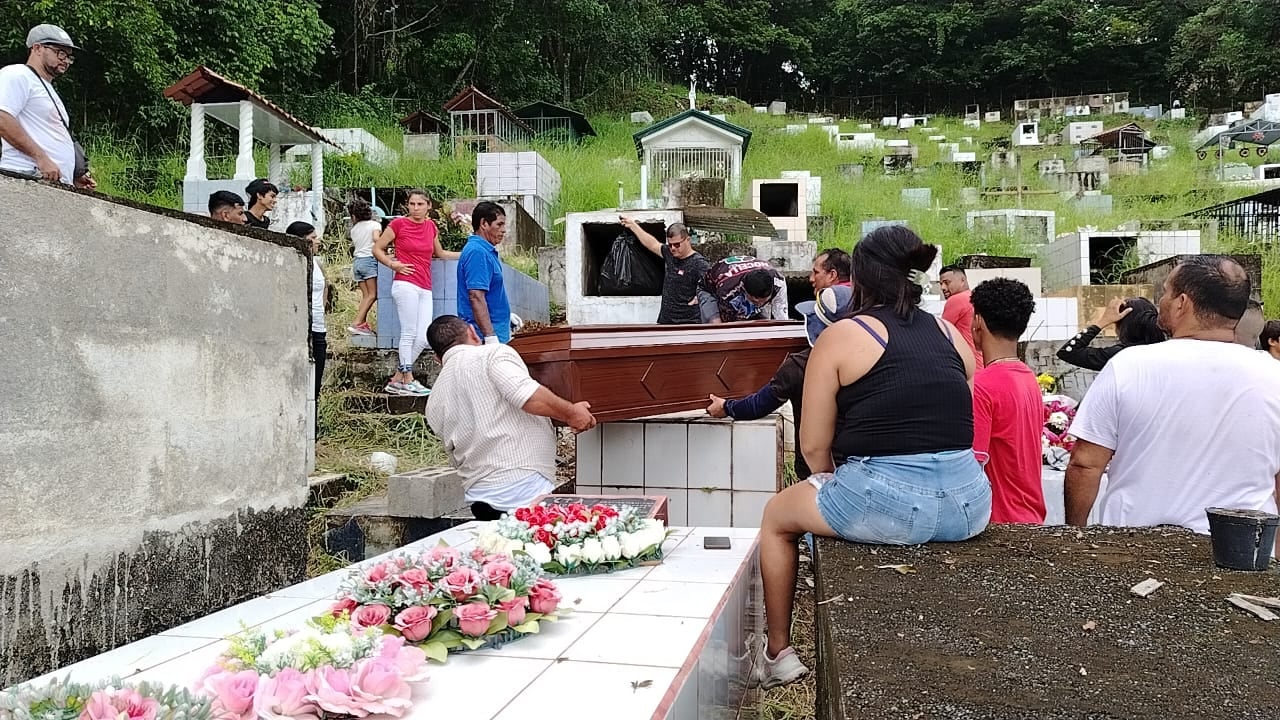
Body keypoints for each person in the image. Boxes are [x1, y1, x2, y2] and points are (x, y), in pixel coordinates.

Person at [754, 226, 988, 689]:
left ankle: (778, 652)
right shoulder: (950, 334)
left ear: (857, 280)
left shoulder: (843, 335)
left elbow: (815, 449)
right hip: (970, 502)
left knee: (777, 516)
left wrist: (840, 489)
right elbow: (957, 418)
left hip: (889, 498)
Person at [1065, 256, 1280, 552]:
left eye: (1165, 292)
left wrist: (1075, 536)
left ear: (1181, 303)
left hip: (1133, 547)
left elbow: (1085, 464)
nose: (1161, 301)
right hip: (1241, 550)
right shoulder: (1274, 374)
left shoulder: (1128, 366)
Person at [425, 315, 597, 519]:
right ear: (472, 332)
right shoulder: (491, 354)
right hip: (521, 488)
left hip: (479, 497)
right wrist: (571, 413)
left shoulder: (433, 398)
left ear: (437, 359)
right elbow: (526, 395)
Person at [707, 284, 855, 481]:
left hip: (817, 474)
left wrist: (726, 407)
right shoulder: (874, 359)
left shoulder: (799, 366)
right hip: (865, 469)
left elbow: (758, 405)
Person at [969, 278, 1046, 524]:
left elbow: (973, 465)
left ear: (977, 322)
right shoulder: (1029, 378)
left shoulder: (982, 385)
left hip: (999, 521)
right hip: (1031, 516)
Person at [374, 189, 461, 396]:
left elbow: (439, 253)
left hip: (425, 285)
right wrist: (392, 264)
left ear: (428, 206)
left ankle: (397, 379)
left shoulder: (431, 226)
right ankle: (408, 378)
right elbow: (377, 248)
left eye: (420, 204)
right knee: (408, 332)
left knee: (423, 337)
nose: (415, 208)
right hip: (405, 284)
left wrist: (469, 252)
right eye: (412, 204)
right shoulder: (398, 224)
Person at [0, 24, 93, 188]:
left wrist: (72, 175)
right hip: (26, 177)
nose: (65, 60)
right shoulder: (18, 74)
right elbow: (2, 117)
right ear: (37, 48)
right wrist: (41, 158)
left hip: (50, 183)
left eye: (69, 57)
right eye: (60, 53)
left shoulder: (47, 89)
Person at [621, 217, 711, 325]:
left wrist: (699, 298)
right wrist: (633, 226)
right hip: (665, 322)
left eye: (677, 244)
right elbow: (652, 244)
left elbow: (713, 285)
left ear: (688, 240)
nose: (673, 248)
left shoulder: (699, 263)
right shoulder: (670, 254)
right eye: (670, 244)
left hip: (688, 324)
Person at [286, 221, 329, 434]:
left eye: (315, 237)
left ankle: (312, 428)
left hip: (319, 327)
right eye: (311, 238)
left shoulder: (316, 262)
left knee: (316, 381)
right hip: (304, 328)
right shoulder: (294, 262)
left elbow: (325, 287)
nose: (316, 242)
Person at [1056, 297, 1165, 371]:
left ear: (1123, 326)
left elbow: (1068, 352)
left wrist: (1102, 321)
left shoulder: (1122, 355)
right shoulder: (1166, 350)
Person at [458, 201, 514, 344]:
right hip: (483, 337)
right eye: (499, 224)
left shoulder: (486, 251)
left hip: (496, 329)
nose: (503, 230)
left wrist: (507, 316)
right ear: (484, 224)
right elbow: (476, 296)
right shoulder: (477, 252)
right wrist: (489, 336)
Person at [698, 256, 789, 323]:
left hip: (740, 279)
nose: (759, 304)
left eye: (762, 302)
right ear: (744, 290)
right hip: (709, 289)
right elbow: (729, 322)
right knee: (717, 325)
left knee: (763, 324)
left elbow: (781, 317)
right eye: (754, 301)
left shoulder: (779, 283)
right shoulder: (728, 290)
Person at [938, 265, 983, 368]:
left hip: (965, 366)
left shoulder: (956, 299)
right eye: (941, 284)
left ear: (962, 280)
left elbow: (940, 333)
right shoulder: (974, 298)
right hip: (980, 363)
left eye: (947, 282)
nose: (943, 288)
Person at [347, 199, 381, 336]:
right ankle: (357, 323)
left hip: (357, 263)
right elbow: (376, 240)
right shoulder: (375, 224)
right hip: (369, 261)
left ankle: (361, 324)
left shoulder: (354, 229)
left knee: (366, 296)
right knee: (373, 295)